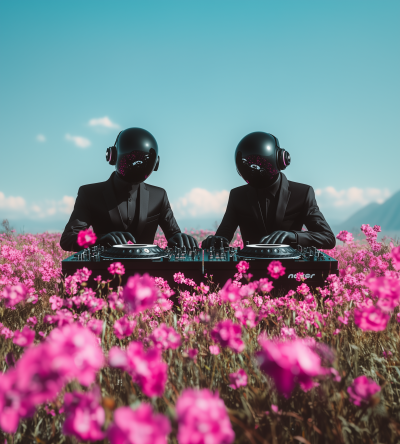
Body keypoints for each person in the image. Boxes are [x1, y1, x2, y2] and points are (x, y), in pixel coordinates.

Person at [60, 127, 198, 251]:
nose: (137, 164)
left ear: (112, 156)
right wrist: (99, 239)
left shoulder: (159, 196)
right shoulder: (90, 194)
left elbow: (174, 235)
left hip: (146, 275)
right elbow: (68, 239)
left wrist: (180, 239)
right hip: (105, 276)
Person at [202, 131, 335, 250]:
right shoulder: (237, 196)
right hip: (251, 272)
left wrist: (293, 236)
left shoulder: (303, 193)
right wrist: (215, 241)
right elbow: (223, 236)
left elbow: (328, 238)